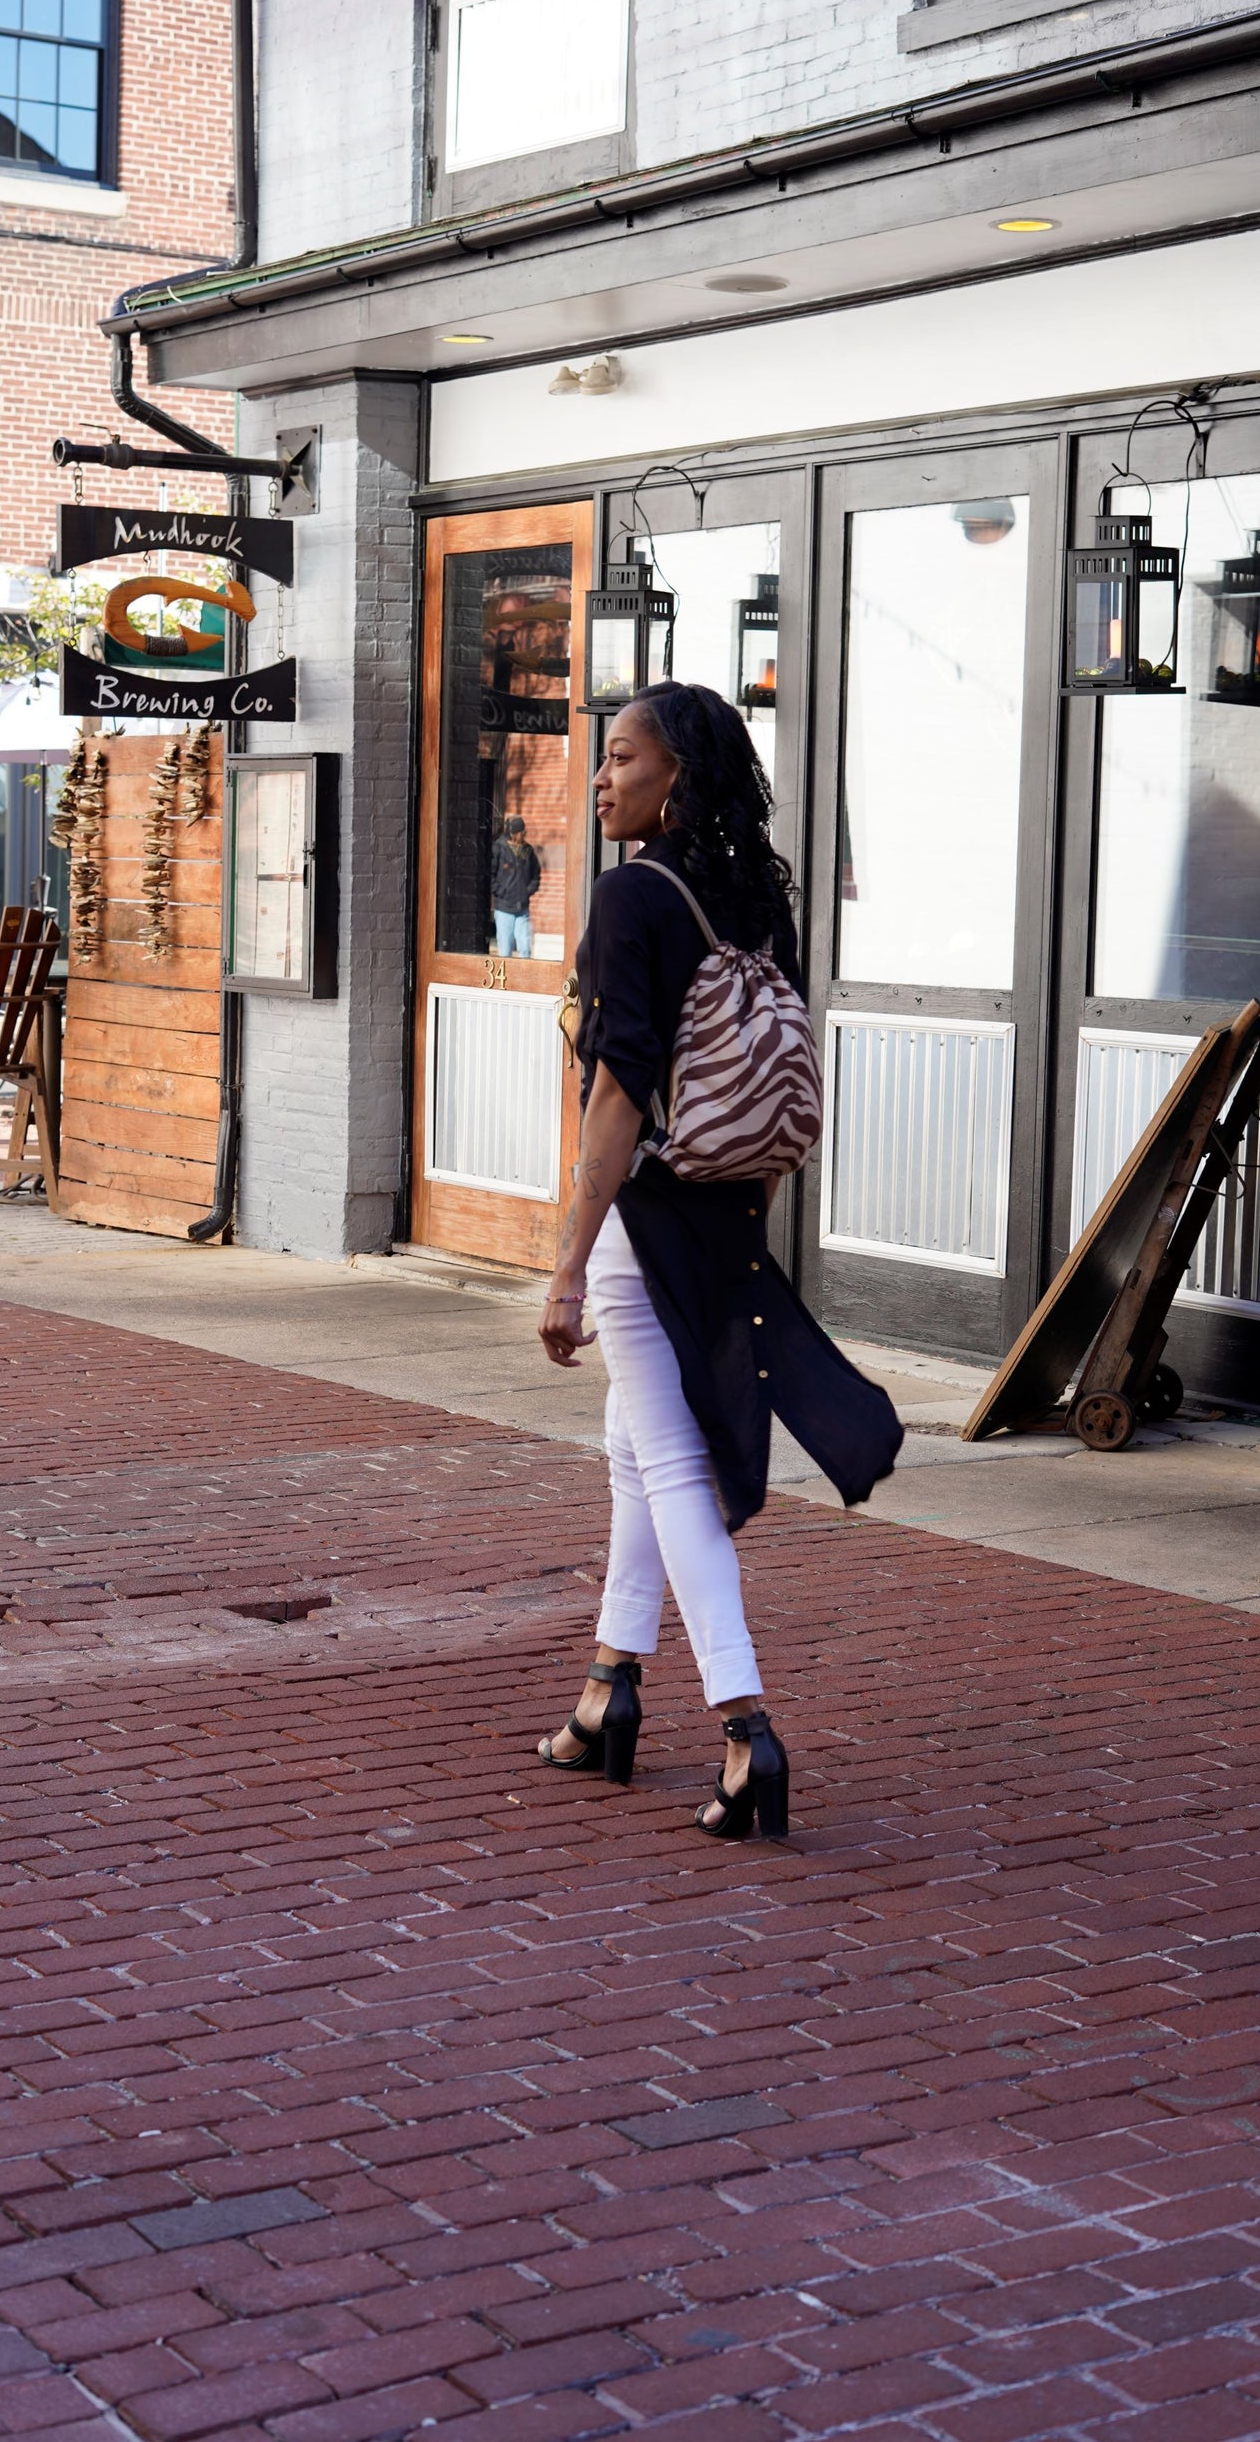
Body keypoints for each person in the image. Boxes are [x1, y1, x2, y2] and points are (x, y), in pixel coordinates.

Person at [536, 682, 902, 1840]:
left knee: (672, 1467)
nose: (602, 778)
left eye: (623, 758)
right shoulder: (754, 898)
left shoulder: (631, 897)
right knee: (633, 1448)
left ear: (674, 777)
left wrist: (565, 1263)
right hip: (726, 1215)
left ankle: (746, 1731)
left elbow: (615, 1091)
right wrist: (742, 1220)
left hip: (646, 1226)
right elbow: (775, 1085)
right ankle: (608, 1691)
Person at [491, 815, 542, 957]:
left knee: (525, 949)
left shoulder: (528, 851)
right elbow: (490, 875)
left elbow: (535, 875)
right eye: (521, 832)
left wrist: (527, 892)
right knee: (505, 951)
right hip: (504, 909)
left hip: (522, 909)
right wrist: (501, 892)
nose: (524, 834)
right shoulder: (499, 849)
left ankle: (524, 979)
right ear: (514, 833)